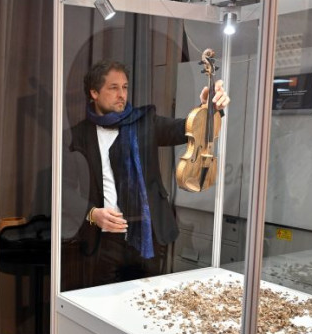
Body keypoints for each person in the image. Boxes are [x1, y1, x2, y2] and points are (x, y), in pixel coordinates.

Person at [63, 59, 229, 286]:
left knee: (148, 303)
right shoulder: (76, 136)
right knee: (104, 305)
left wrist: (208, 110)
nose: (122, 94)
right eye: (113, 88)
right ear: (94, 92)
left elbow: (187, 129)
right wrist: (92, 213)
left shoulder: (144, 122)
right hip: (103, 240)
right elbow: (60, 189)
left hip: (147, 234)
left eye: (124, 87)